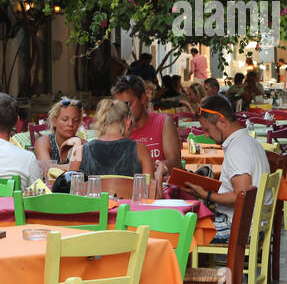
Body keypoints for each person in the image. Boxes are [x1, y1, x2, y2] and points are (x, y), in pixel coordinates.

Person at [183, 94, 270, 240]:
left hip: (239, 226)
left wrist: (206, 195)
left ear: (222, 122)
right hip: (252, 223)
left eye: (207, 129)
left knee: (182, 230)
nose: (206, 135)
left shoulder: (238, 149)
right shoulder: (248, 142)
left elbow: (241, 195)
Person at [111, 75, 181, 181]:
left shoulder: (163, 122)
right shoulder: (116, 129)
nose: (124, 111)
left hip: (157, 191)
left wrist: (145, 167)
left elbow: (175, 163)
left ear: (143, 99)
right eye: (119, 106)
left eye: (128, 104)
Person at [76, 98, 155, 183]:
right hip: (129, 196)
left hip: (94, 196)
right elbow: (153, 193)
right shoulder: (141, 150)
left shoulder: (81, 151)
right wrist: (160, 172)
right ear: (128, 122)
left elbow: (71, 192)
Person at [36, 97, 85, 172]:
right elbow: (46, 169)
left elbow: (87, 171)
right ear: (54, 121)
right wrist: (73, 167)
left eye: (75, 120)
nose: (70, 124)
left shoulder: (83, 144)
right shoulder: (44, 142)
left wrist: (77, 143)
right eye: (65, 120)